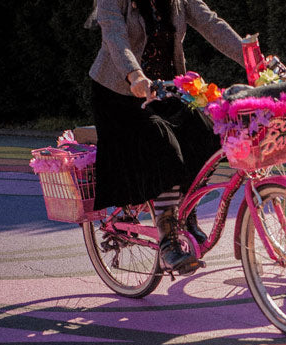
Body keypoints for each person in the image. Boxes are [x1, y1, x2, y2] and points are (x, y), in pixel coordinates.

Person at [87, 0, 245, 274]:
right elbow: (115, 36)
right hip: (120, 95)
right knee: (164, 145)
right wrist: (134, 74)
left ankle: (187, 209)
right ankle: (168, 238)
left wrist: (253, 59)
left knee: (210, 132)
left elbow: (213, 24)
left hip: (166, 90)